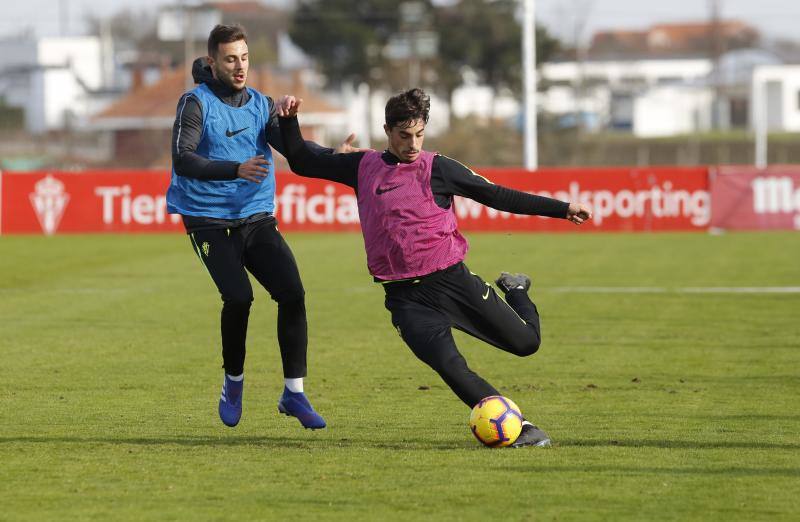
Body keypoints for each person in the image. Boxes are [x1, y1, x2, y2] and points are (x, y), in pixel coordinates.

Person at [275, 88, 592, 447]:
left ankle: (516, 289)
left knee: (526, 343)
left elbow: (497, 195)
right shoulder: (362, 167)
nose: (413, 144)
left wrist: (561, 208)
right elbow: (302, 161)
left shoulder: (438, 168)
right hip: (405, 299)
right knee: (451, 366)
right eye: (404, 135)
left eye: (419, 135)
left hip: (452, 282)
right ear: (387, 131)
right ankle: (521, 428)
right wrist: (289, 121)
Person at [166, 24, 355, 430]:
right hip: (207, 221)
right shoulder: (194, 103)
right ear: (213, 61)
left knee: (292, 293)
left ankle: (294, 393)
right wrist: (235, 168)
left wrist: (333, 155)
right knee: (239, 298)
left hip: (255, 217)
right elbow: (183, 159)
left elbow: (297, 153)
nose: (240, 67)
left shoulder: (260, 104)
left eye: (245, 58)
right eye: (231, 59)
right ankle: (233, 383)